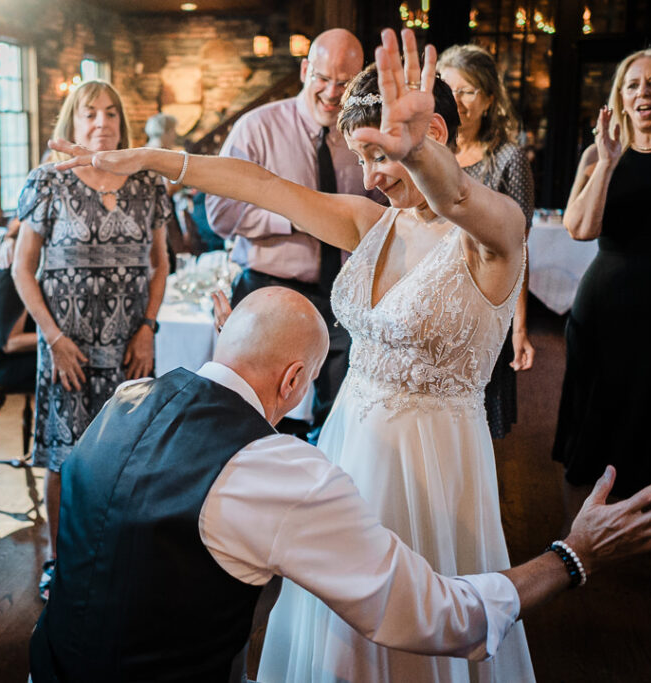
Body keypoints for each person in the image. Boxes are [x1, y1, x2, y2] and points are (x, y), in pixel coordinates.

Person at [50, 27, 539, 681]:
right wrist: (144, 157)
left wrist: (418, 154)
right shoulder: (372, 224)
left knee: (421, 618)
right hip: (350, 447)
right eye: (361, 155)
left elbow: (455, 197)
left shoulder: (495, 238)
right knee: (336, 629)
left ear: (436, 138)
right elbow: (256, 184)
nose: (369, 175)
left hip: (434, 467)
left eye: (383, 155)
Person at [26, 285, 651, 681]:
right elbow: (435, 614)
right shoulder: (277, 471)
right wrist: (573, 554)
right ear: (294, 382)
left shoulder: (126, 399)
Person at [552, 47, 651, 608]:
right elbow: (578, 228)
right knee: (603, 423)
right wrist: (609, 161)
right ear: (619, 96)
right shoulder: (601, 152)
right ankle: (583, 539)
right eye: (632, 85)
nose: (644, 94)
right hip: (607, 315)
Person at [11, 80, 171, 603]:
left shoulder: (149, 182)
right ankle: (61, 561)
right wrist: (52, 337)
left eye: (110, 113)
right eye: (89, 114)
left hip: (129, 345)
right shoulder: (47, 181)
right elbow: (22, 269)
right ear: (71, 124)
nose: (101, 122)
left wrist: (147, 327)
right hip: (68, 348)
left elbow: (160, 262)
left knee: (130, 456)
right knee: (66, 457)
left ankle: (120, 554)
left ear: (123, 123)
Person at [207, 28, 370, 439]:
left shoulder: (365, 137)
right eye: (322, 78)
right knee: (249, 420)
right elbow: (220, 216)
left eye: (345, 82)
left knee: (340, 421)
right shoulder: (256, 128)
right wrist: (297, 217)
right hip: (268, 292)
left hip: (344, 297)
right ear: (304, 70)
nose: (332, 93)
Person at [439, 44, 535, 439]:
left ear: (489, 99)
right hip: (429, 303)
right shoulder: (427, 153)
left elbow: (519, 251)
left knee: (473, 427)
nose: (455, 100)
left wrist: (520, 327)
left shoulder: (508, 159)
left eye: (468, 91)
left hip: (482, 308)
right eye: (447, 88)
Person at [0, 218, 37, 389]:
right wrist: (59, 338)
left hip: (22, 356)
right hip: (9, 365)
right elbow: (10, 343)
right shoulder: (11, 275)